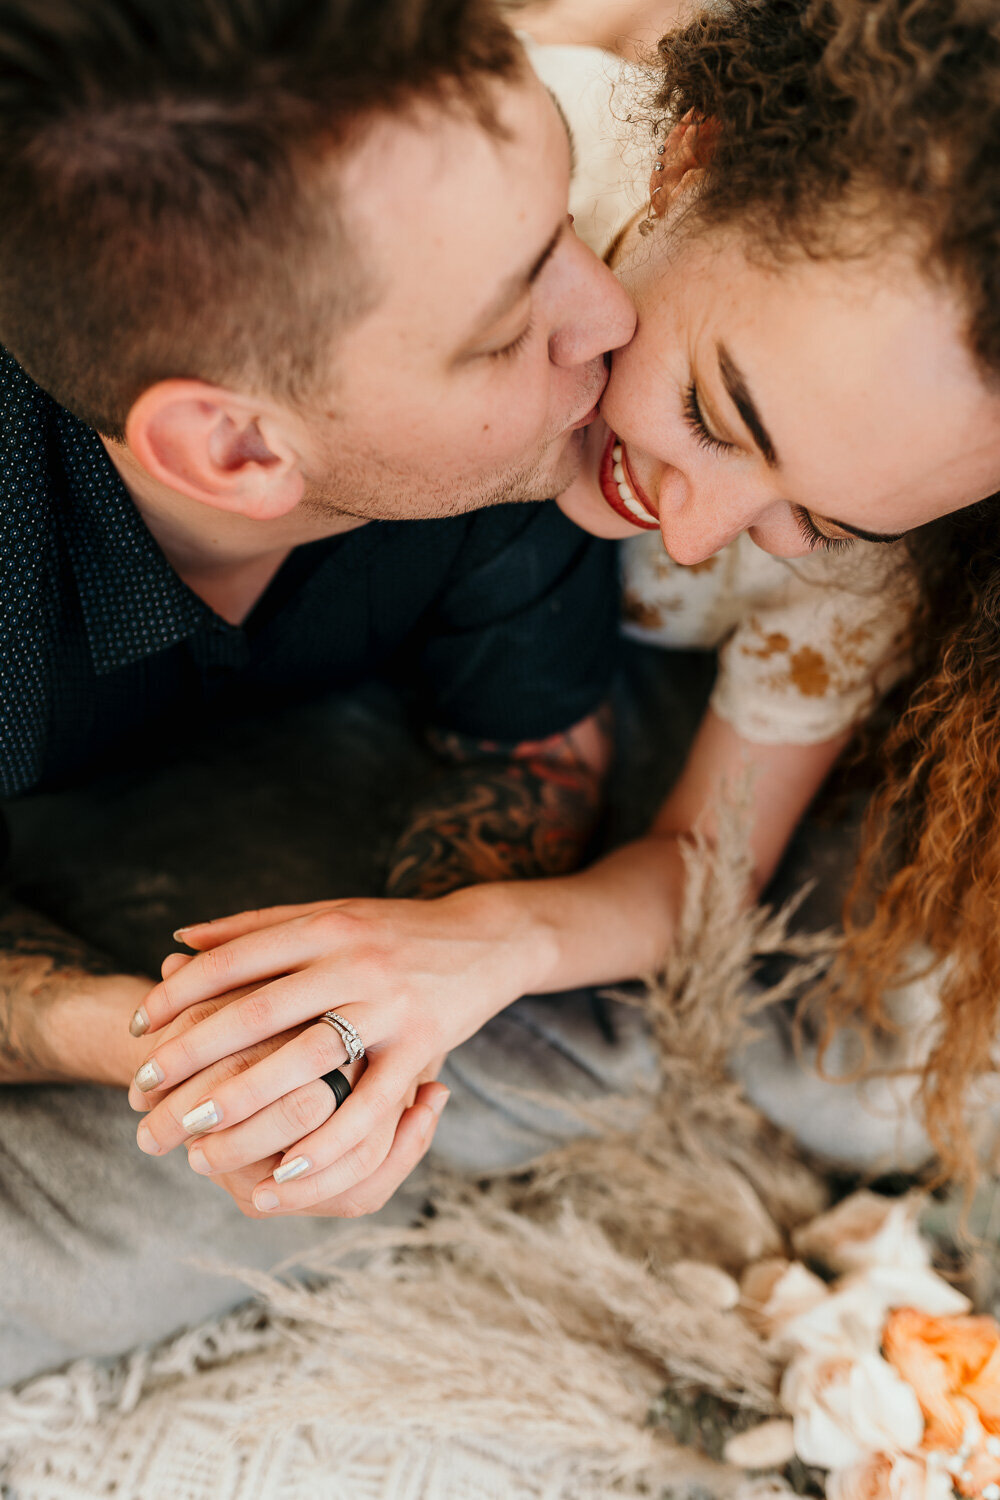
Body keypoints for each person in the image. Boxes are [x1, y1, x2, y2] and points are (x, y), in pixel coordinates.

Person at [146, 0, 1000, 1214]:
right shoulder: (492, 163)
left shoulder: (844, 576)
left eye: (819, 516)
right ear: (688, 159)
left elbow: (705, 863)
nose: (694, 533)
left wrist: (496, 942)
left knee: (838, 1066)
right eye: (712, 412)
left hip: (568, 703)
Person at [0, 0, 645, 1385]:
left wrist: (357, 1024)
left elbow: (530, 751)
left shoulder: (518, 430)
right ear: (233, 447)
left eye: (564, 230)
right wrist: (141, 1042)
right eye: (505, 321)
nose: (610, 313)